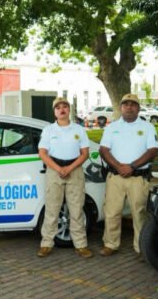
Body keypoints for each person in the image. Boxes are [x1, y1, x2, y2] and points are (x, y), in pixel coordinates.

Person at [98, 93, 158, 256]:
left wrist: (131, 166)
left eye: (133, 104)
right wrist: (119, 167)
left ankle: (141, 247)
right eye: (126, 104)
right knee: (112, 212)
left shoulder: (148, 127)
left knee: (139, 213)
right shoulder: (112, 127)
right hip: (116, 177)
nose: (129, 107)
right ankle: (110, 244)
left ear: (138, 108)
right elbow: (103, 150)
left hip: (138, 177)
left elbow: (153, 151)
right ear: (121, 108)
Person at [36, 97, 93, 258]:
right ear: (54, 112)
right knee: (52, 209)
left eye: (65, 107)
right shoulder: (49, 130)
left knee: (76, 209)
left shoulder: (79, 129)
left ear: (69, 110)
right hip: (54, 171)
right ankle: (46, 244)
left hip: (74, 171)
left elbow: (85, 154)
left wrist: (69, 168)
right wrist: (58, 168)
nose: (62, 110)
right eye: (58, 107)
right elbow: (42, 153)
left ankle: (81, 245)